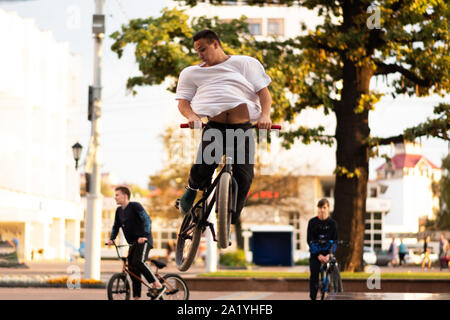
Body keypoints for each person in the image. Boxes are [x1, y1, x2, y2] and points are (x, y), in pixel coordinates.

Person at [175, 29, 272, 226]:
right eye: (197, 51)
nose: (200, 55)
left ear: (216, 44)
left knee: (244, 178)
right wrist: (192, 116)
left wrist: (265, 115)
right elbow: (183, 102)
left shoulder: (245, 64)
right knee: (203, 168)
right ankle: (191, 190)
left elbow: (264, 93)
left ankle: (228, 217)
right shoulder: (192, 73)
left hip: (242, 129)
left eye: (203, 49)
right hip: (215, 128)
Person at [107, 186, 165, 300]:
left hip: (144, 240)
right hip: (133, 243)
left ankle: (157, 284)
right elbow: (116, 226)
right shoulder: (119, 211)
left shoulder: (135, 206)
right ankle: (136, 297)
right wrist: (112, 238)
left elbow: (147, 220)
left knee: (138, 262)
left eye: (117, 195)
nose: (115, 198)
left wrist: (144, 235)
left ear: (125, 196)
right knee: (133, 270)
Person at [307, 198, 338, 300]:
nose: (322, 210)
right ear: (318, 209)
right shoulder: (312, 222)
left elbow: (335, 241)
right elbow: (310, 241)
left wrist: (329, 254)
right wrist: (318, 255)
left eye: (324, 207)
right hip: (316, 254)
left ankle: (333, 291)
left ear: (328, 208)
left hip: (328, 253)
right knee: (314, 276)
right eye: (320, 208)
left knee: (334, 272)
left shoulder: (333, 224)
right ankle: (313, 297)